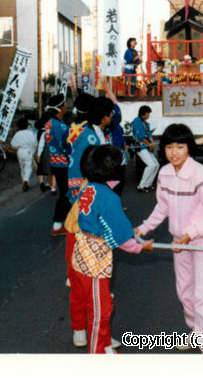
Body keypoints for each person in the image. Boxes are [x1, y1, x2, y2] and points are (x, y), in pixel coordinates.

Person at [135, 123, 203, 354]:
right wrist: (143, 228)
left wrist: (190, 233)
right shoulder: (163, 173)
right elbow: (162, 207)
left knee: (202, 295)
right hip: (178, 242)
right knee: (184, 292)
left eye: (180, 147)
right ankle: (197, 332)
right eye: (169, 147)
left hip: (201, 242)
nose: (174, 152)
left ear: (189, 148)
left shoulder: (201, 175)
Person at [72, 145, 153, 353]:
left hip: (82, 252)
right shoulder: (109, 198)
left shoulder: (89, 187)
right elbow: (121, 234)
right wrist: (140, 247)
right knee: (101, 310)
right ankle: (97, 354)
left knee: (101, 302)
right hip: (95, 261)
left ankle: (106, 346)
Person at [64, 95, 114, 348]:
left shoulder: (98, 134)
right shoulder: (88, 137)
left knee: (100, 283)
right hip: (84, 213)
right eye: (111, 113)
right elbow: (75, 177)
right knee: (80, 279)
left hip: (100, 213)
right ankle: (79, 326)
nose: (112, 117)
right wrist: (85, 203)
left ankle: (100, 333)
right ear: (103, 115)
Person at [45, 94, 71, 235]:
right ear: (60, 108)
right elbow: (66, 145)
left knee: (65, 193)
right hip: (63, 163)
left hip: (54, 161)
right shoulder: (59, 125)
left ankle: (61, 223)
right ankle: (58, 224)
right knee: (66, 194)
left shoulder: (49, 123)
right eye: (64, 105)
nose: (66, 107)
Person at [131, 105, 160, 193]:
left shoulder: (147, 123)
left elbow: (149, 135)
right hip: (141, 147)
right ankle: (141, 185)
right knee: (151, 165)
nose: (149, 115)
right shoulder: (137, 121)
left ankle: (148, 184)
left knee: (156, 165)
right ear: (143, 113)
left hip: (147, 148)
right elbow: (141, 136)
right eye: (148, 113)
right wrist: (149, 144)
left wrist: (151, 143)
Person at [10, 117, 38, 192]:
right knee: (28, 167)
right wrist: (34, 151)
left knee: (22, 168)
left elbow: (12, 144)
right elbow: (34, 143)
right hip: (28, 151)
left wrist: (18, 146)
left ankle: (24, 182)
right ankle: (26, 180)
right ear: (27, 125)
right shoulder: (30, 133)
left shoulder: (17, 134)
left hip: (20, 151)